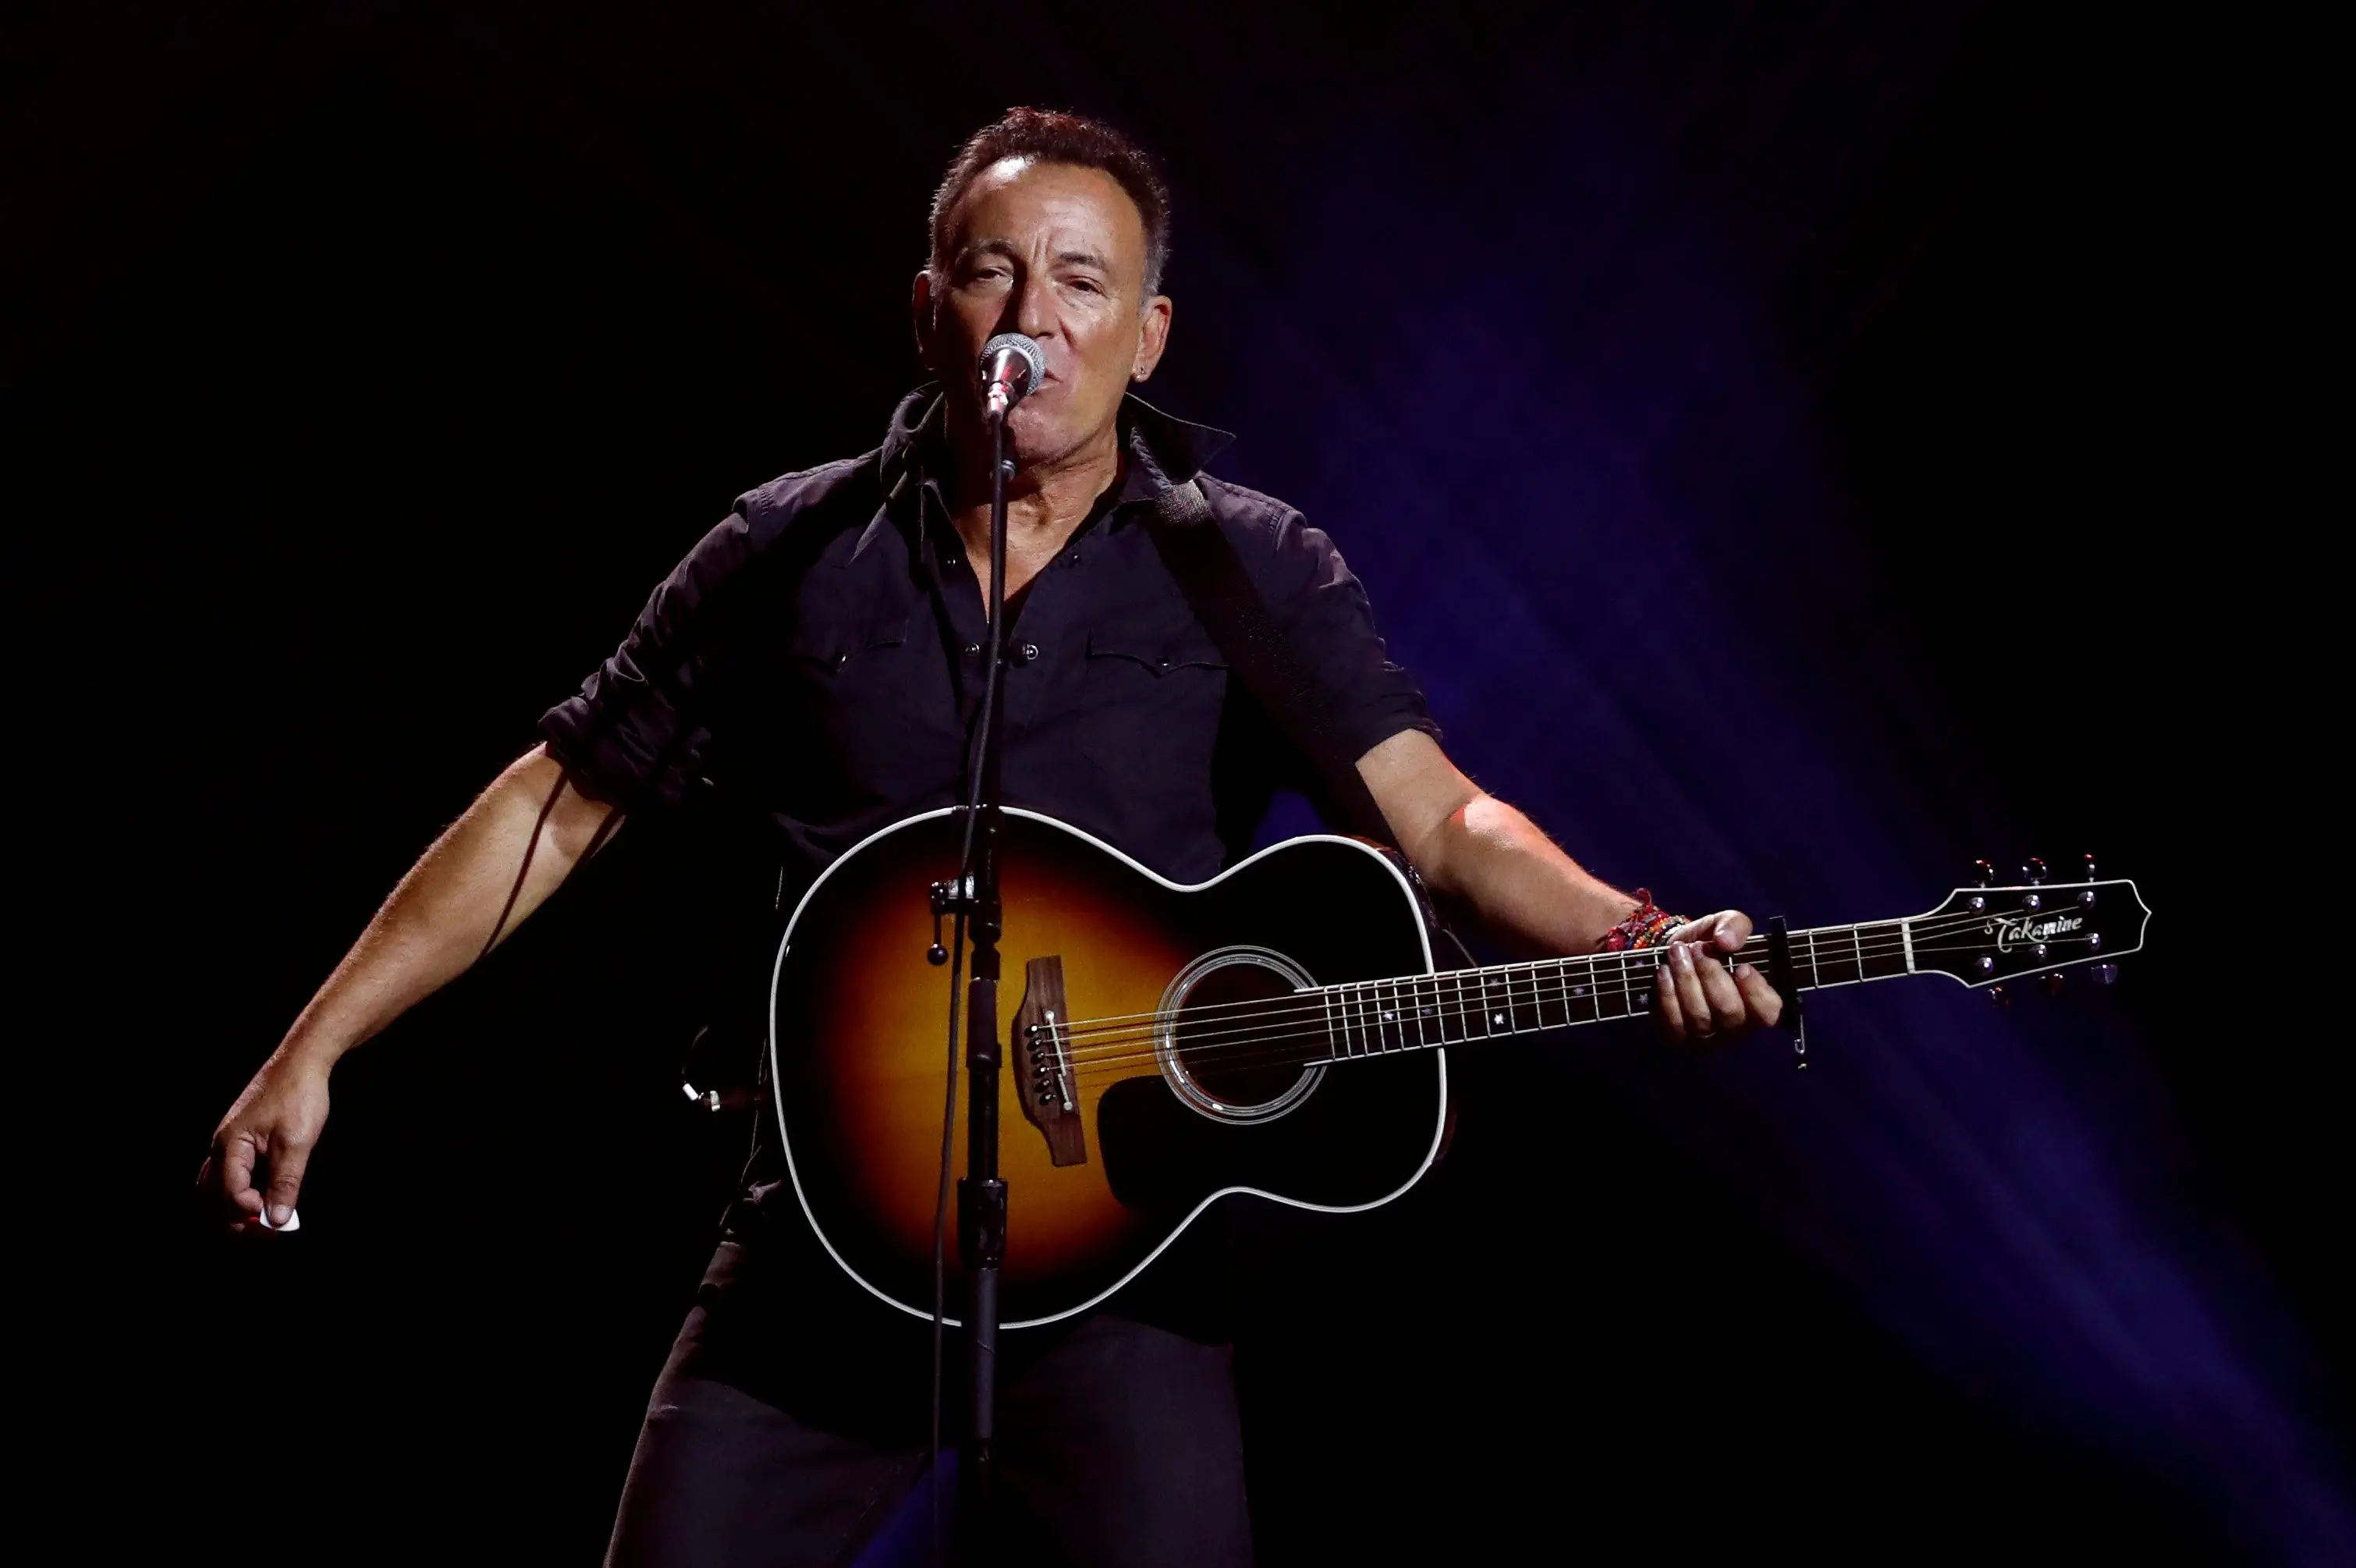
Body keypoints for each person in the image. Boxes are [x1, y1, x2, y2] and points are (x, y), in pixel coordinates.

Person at [201, 108, 1783, 1566]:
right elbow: (555, 807)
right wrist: (317, 1045)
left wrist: (1634, 935)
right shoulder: (789, 547)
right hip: (824, 1244)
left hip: (1125, 1272)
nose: (1035, 314)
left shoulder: (1248, 566)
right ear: (928, 311)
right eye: (991, 272)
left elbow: (1440, 822)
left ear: (1146, 334)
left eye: (1083, 282)